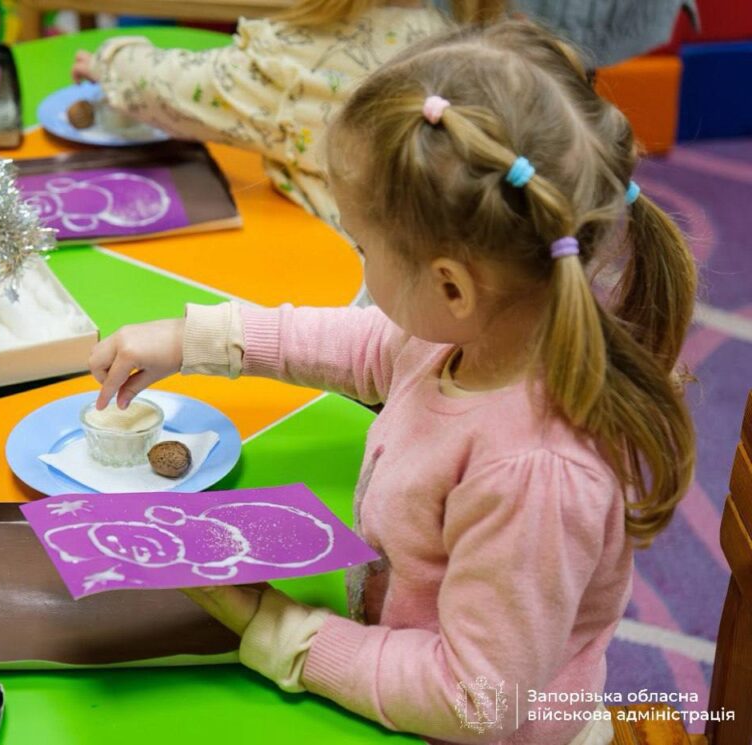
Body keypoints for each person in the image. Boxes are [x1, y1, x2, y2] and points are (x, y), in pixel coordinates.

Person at [85, 18, 697, 745]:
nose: (359, 260)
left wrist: (277, 628)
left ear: (451, 286)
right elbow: (374, 345)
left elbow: (474, 701)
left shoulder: (535, 474)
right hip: (402, 655)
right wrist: (199, 339)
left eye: (363, 245)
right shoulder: (485, 332)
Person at [71, 1, 503, 229]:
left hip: (350, 300)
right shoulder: (457, 45)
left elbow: (176, 89)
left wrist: (112, 59)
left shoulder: (296, 57)